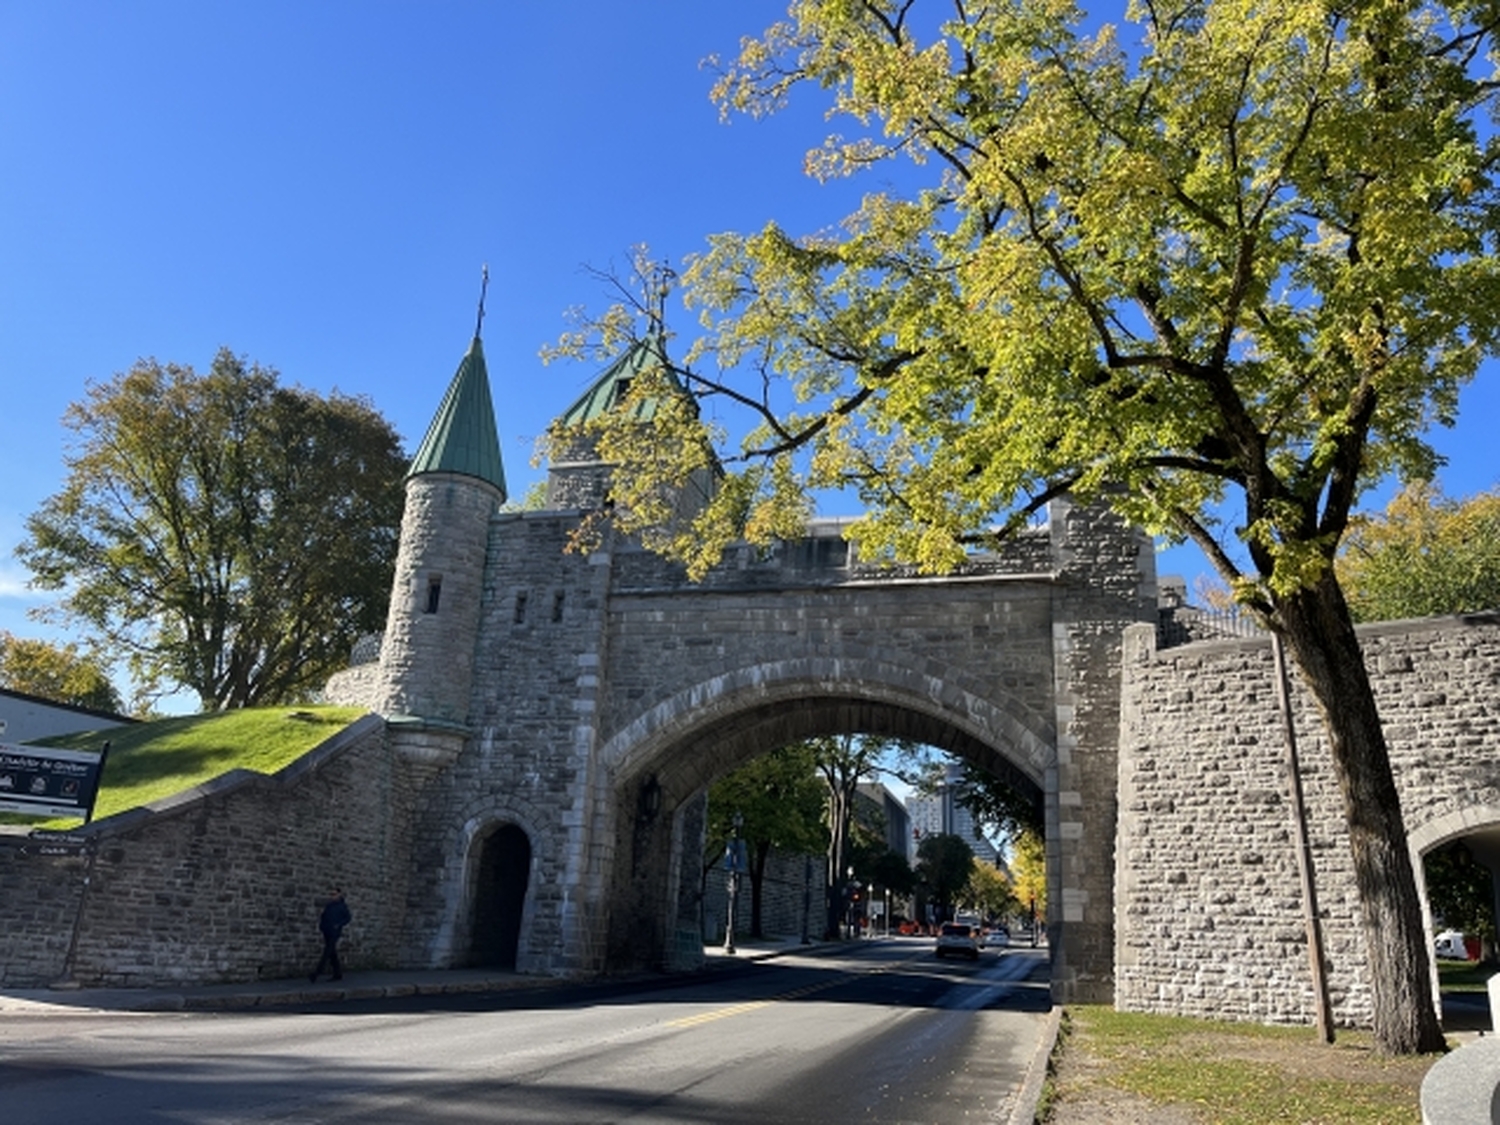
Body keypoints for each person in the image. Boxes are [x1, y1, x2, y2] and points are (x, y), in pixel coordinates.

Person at [309, 887, 351, 982]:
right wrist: (322, 926)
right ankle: (337, 973)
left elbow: (348, 918)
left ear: (339, 895)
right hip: (327, 931)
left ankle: (317, 973)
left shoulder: (342, 906)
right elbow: (324, 916)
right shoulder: (329, 906)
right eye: (331, 894)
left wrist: (338, 925)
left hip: (334, 932)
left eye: (334, 894)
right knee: (332, 953)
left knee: (327, 953)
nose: (332, 896)